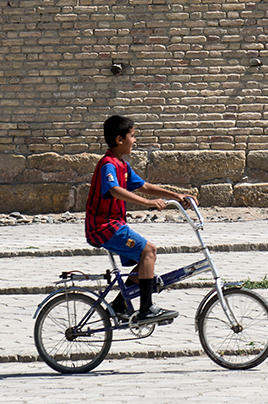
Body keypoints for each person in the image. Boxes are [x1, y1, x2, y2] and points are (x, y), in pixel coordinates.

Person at [85, 114, 199, 322]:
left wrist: (177, 195)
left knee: (147, 259)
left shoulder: (122, 165)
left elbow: (145, 186)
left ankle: (120, 305)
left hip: (114, 226)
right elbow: (114, 190)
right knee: (149, 250)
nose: (135, 140)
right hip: (104, 227)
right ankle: (146, 309)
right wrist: (147, 204)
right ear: (120, 140)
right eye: (133, 136)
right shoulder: (108, 164)